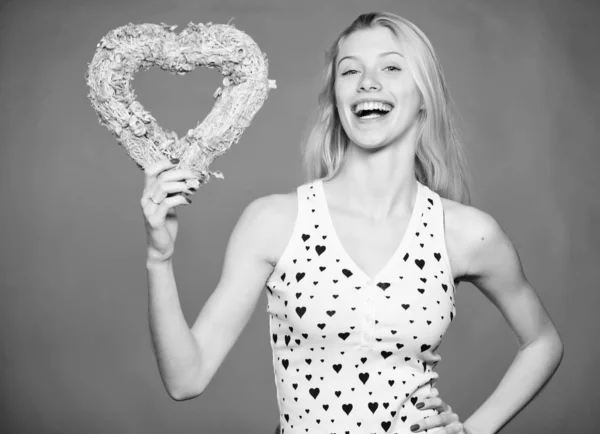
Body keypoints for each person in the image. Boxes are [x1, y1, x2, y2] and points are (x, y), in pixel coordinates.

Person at [140, 11, 564, 434]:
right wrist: (160, 258)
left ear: (424, 95)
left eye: (392, 67)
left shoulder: (467, 233)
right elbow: (185, 379)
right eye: (350, 71)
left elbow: (543, 342)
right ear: (337, 96)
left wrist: (476, 429)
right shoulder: (274, 221)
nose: (368, 82)